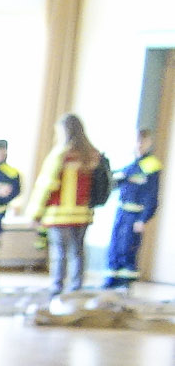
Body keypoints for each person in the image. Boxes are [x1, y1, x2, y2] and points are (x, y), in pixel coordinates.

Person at [29, 113, 107, 297]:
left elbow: (46, 185)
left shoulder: (61, 155)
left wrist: (35, 213)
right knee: (78, 252)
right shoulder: (92, 155)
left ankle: (56, 289)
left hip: (59, 215)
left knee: (59, 253)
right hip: (82, 215)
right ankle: (76, 288)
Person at [104, 129, 161, 290]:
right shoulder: (130, 166)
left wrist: (143, 218)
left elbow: (152, 195)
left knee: (128, 248)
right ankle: (111, 279)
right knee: (115, 245)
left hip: (135, 214)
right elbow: (117, 182)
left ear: (148, 143)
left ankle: (125, 283)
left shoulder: (151, 165)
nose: (138, 145)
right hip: (121, 212)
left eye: (142, 142)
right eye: (136, 142)